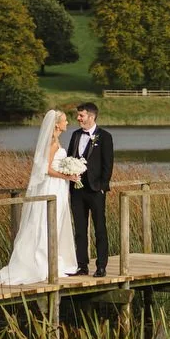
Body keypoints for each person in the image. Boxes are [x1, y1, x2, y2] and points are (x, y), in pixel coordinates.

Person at [0, 108, 79, 285]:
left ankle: (48, 260)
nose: (67, 123)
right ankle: (41, 263)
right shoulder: (52, 142)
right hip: (52, 186)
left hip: (58, 187)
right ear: (57, 124)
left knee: (52, 222)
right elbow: (46, 169)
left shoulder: (55, 140)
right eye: (65, 120)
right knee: (45, 222)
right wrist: (67, 175)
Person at [67, 101, 114, 277]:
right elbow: (71, 157)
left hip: (95, 190)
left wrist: (102, 187)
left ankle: (101, 266)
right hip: (77, 190)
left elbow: (108, 164)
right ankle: (82, 266)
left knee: (99, 228)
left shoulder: (105, 136)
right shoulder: (75, 135)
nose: (78, 118)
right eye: (78, 115)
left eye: (81, 115)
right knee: (79, 229)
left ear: (91, 117)